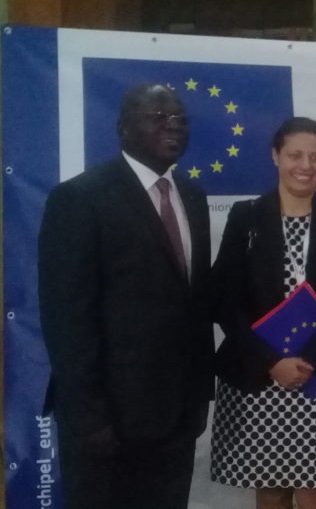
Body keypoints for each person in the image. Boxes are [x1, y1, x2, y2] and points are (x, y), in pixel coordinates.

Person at [38, 83, 214, 509]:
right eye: (158, 117)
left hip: (177, 419)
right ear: (123, 129)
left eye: (180, 119)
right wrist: (89, 418)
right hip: (108, 425)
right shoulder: (80, 198)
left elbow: (192, 304)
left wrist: (197, 401)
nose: (173, 126)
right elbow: (66, 319)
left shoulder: (192, 197)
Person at [210, 117, 316, 509]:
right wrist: (272, 362)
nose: (306, 165)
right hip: (261, 375)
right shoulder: (246, 216)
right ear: (276, 156)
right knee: (272, 489)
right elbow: (225, 299)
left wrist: (309, 360)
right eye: (295, 155)